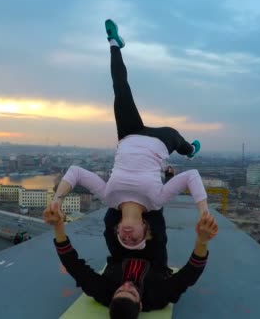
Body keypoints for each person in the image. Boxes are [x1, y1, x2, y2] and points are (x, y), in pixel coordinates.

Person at [50, 19, 208, 267]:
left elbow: (76, 172)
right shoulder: (155, 202)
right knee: (178, 138)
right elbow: (191, 177)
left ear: (116, 230)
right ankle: (190, 151)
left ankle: (114, 43)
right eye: (134, 240)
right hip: (159, 142)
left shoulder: (110, 198)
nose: (127, 237)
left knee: (120, 89)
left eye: (123, 240)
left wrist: (57, 201)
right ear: (145, 228)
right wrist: (203, 211)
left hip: (129, 135)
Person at [43, 206, 218, 317]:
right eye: (132, 293)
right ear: (140, 304)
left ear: (111, 298)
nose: (126, 285)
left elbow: (73, 265)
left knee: (112, 217)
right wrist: (202, 241)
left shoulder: (102, 292)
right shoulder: (158, 297)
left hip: (120, 253)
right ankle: (158, 174)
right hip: (153, 253)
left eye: (120, 291)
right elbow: (190, 274)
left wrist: (58, 226)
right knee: (152, 214)